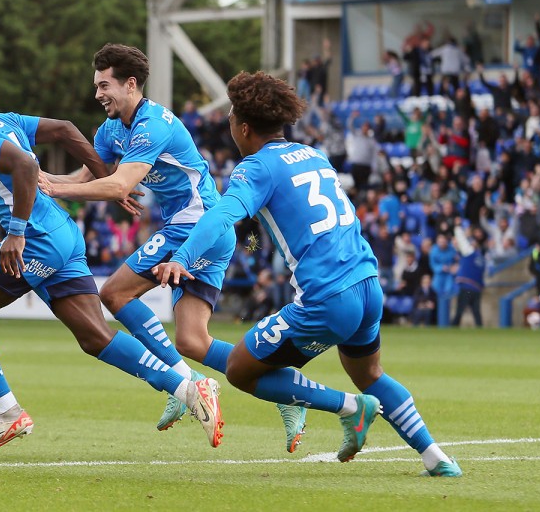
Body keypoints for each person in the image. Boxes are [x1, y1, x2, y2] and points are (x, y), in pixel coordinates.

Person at [153, 71, 461, 476]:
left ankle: (351, 408)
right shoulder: (313, 154)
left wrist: (182, 257)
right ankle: (436, 457)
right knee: (370, 373)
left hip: (328, 298)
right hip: (368, 284)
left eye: (230, 118)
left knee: (240, 371)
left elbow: (221, 217)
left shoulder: (255, 167)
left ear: (243, 128)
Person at [0, 76, 222, 454]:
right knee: (96, 338)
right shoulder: (2, 120)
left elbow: (26, 167)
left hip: (36, 241)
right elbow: (64, 130)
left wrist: (15, 233)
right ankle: (189, 387)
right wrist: (108, 178)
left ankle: (7, 412)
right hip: (64, 234)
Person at [39, 43, 306, 453]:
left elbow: (118, 185)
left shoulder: (153, 124)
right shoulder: (110, 130)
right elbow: (94, 172)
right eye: (95, 86)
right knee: (193, 340)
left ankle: (184, 383)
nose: (97, 94)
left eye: (104, 85)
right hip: (203, 231)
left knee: (113, 292)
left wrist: (59, 188)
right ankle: (289, 393)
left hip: (196, 224)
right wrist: (44, 178)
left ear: (131, 84)